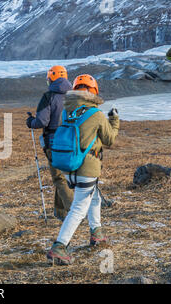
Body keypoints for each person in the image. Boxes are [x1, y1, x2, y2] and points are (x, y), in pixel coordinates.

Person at [46, 74, 120, 265]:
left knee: (93, 196)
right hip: (87, 167)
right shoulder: (95, 114)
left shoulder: (66, 111)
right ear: (93, 92)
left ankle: (97, 233)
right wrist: (114, 121)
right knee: (79, 207)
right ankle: (59, 247)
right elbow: (109, 139)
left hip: (69, 166)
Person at [26, 65, 74, 221]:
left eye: (49, 77)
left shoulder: (49, 97)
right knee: (65, 177)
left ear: (52, 78)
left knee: (59, 178)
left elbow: (42, 121)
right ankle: (60, 212)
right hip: (72, 140)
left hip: (54, 142)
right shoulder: (75, 96)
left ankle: (74, 212)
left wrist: (31, 122)